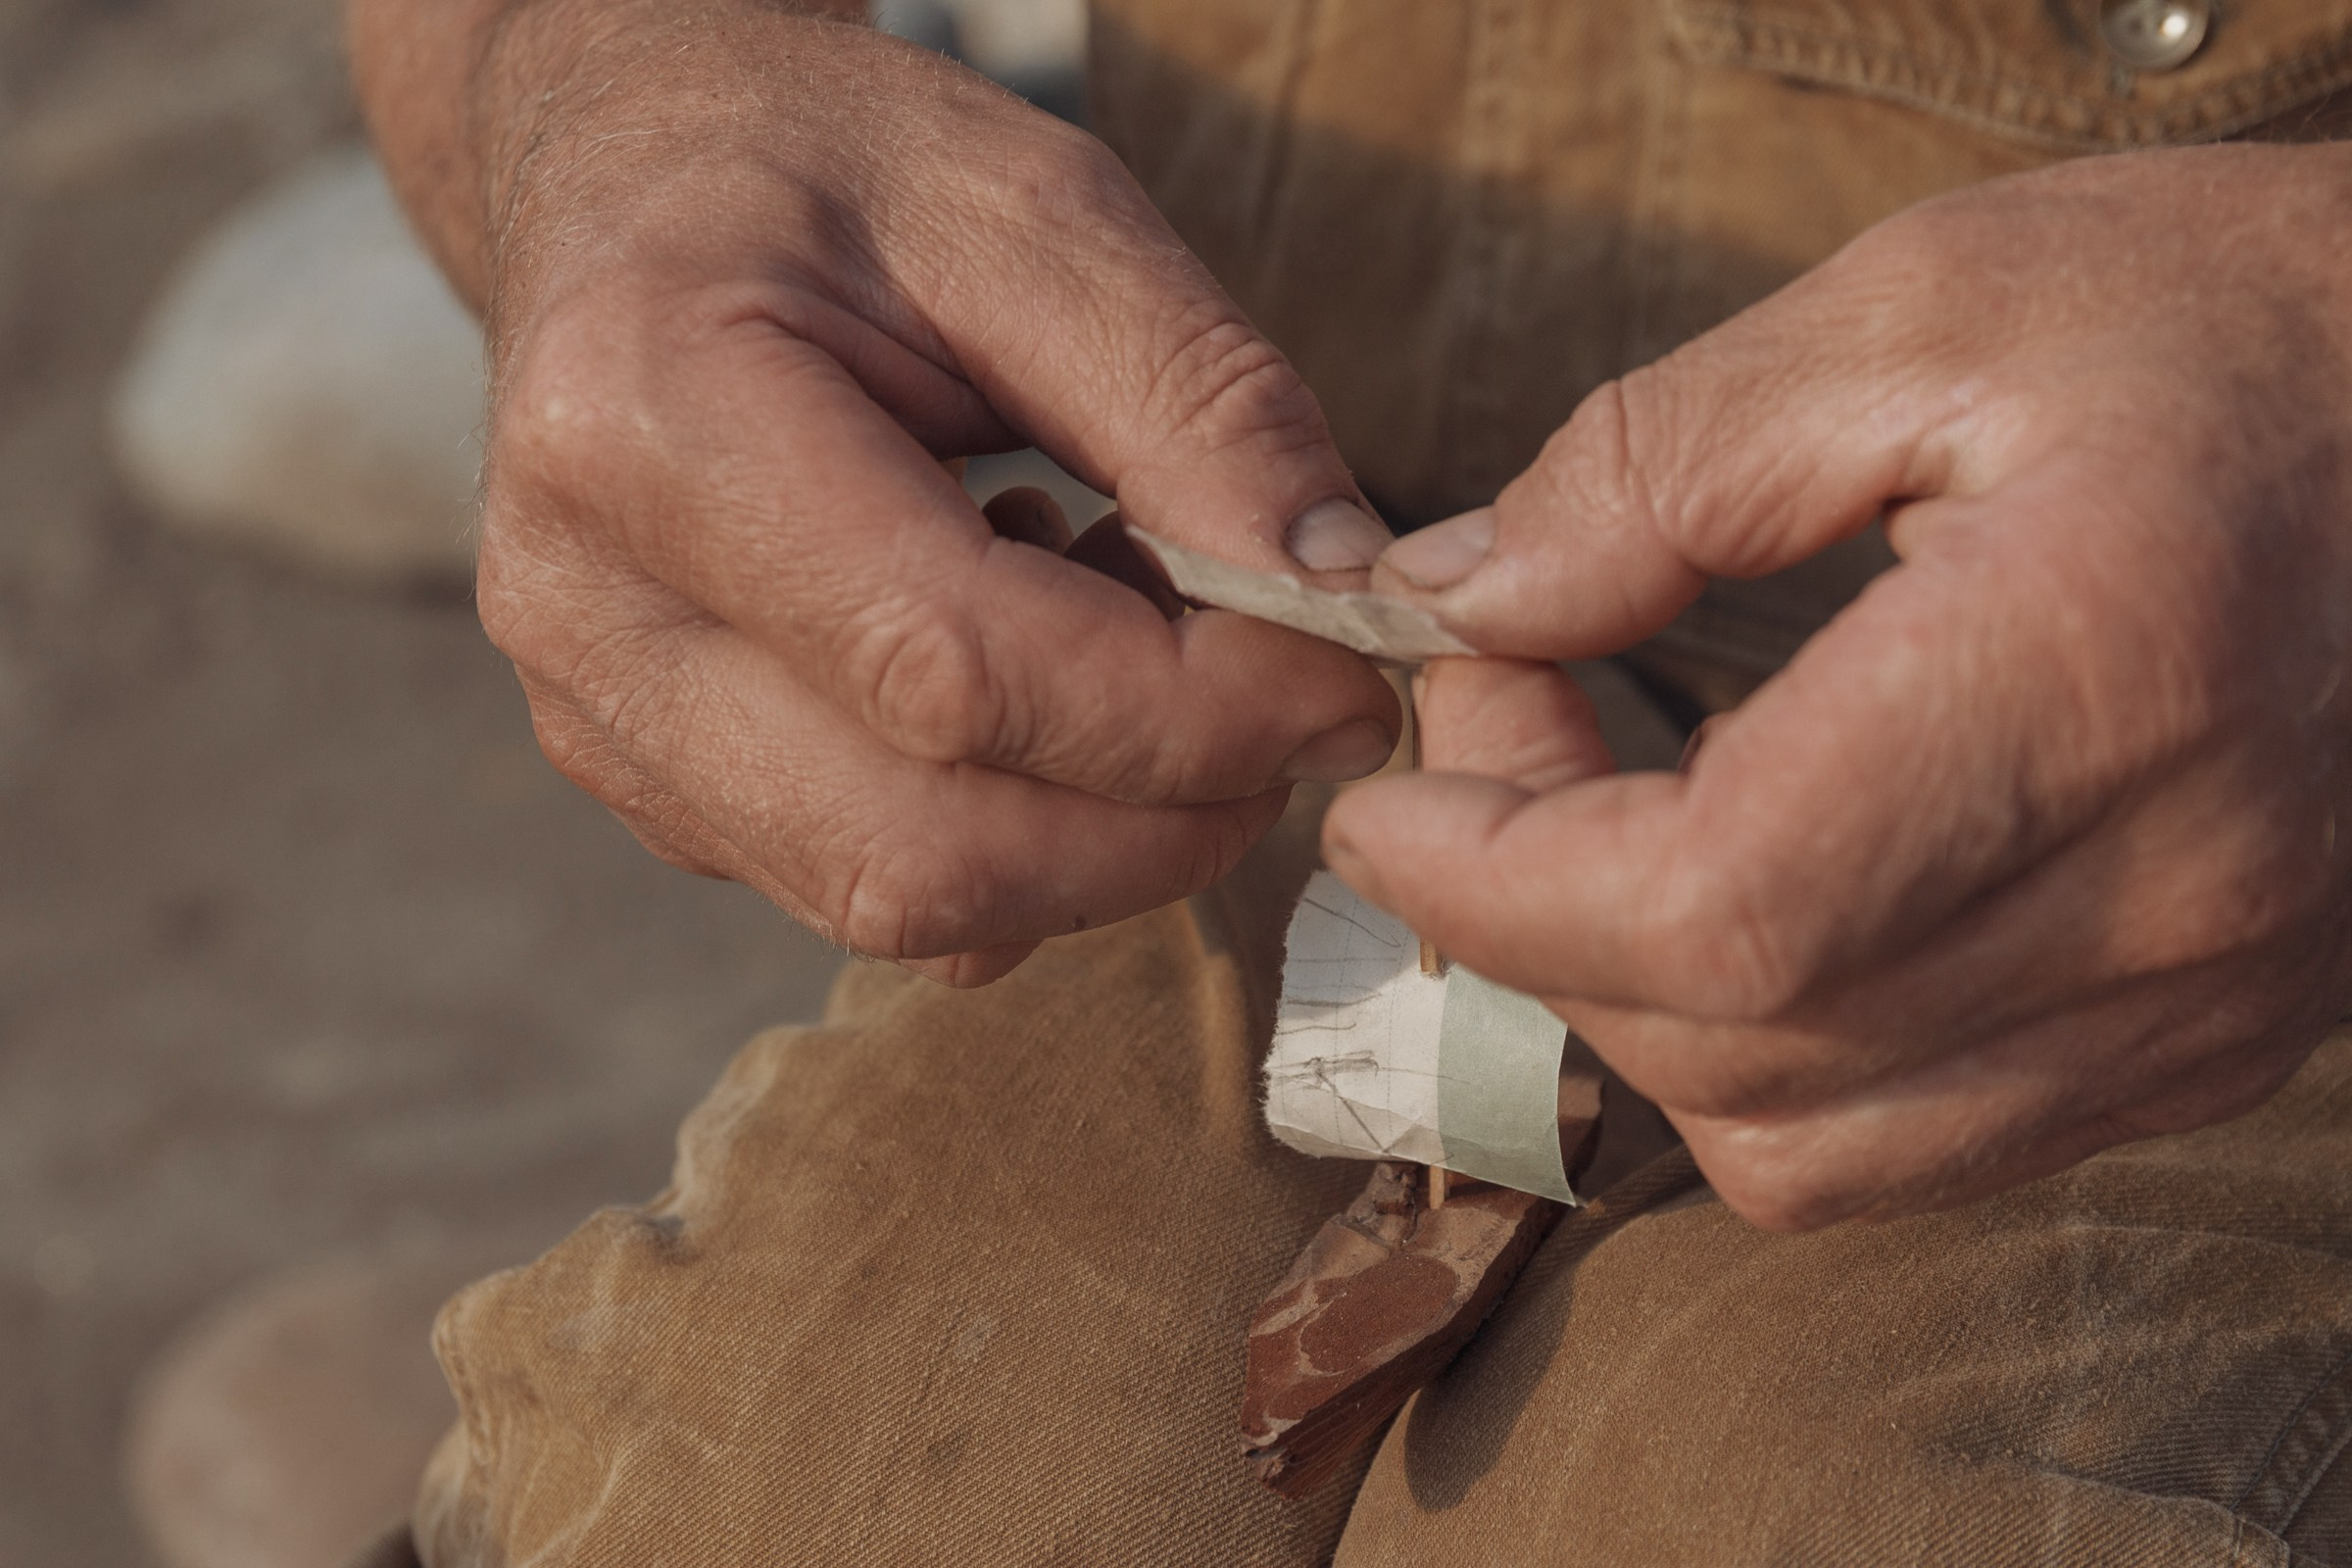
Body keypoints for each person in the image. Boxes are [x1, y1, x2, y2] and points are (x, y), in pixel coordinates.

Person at [344, 0, 2352, 1561]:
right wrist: (602, 89)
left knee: (1833, 1494)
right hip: (1312, 679)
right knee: (811, 1453)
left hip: (2285, 741)